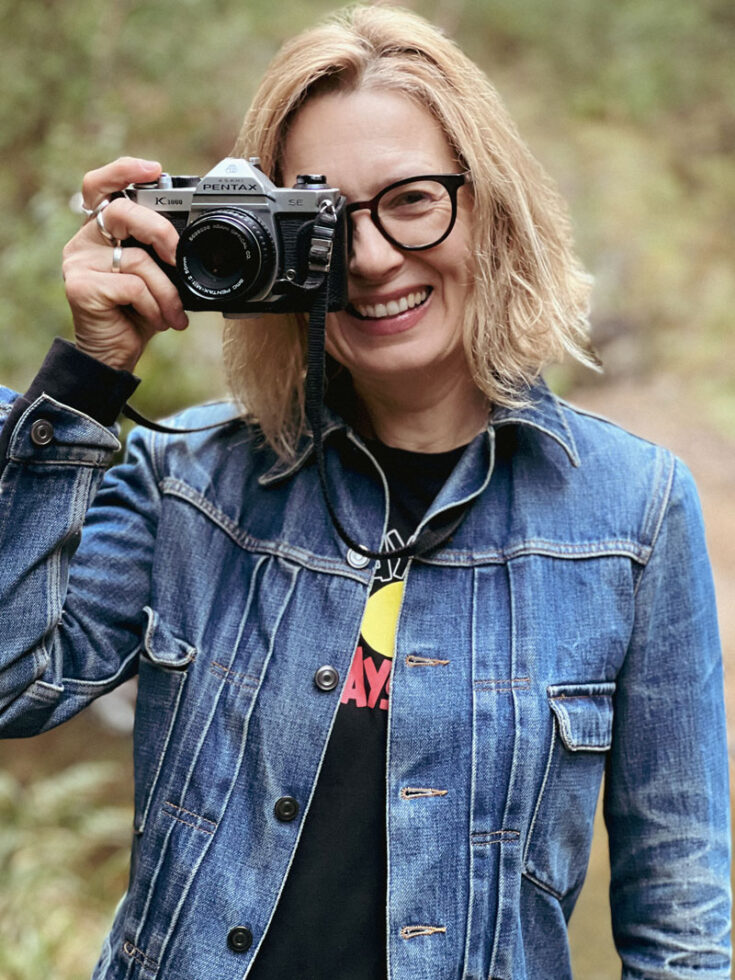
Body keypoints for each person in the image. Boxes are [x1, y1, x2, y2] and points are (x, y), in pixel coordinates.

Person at [0, 5, 730, 978]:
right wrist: (87, 384)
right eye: (327, 217)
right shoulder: (188, 477)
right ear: (273, 243)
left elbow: (681, 912)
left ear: (490, 206)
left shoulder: (632, 512)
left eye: (414, 199)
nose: (375, 256)